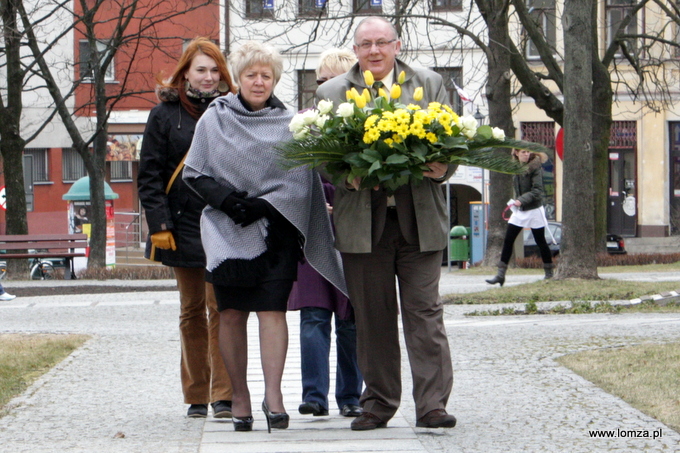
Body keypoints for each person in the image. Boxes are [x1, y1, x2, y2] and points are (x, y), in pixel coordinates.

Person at [182, 41, 346, 433]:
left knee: (272, 311)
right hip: (225, 228)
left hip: (276, 231)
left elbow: (301, 183)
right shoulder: (214, 119)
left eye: (267, 76)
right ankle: (238, 395)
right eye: (252, 75)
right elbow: (196, 171)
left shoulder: (290, 123)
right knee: (232, 313)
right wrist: (226, 200)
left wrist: (265, 206)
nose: (259, 82)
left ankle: (274, 395)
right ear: (238, 77)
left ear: (275, 80)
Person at [315, 16, 457, 431]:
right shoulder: (332, 92)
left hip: (420, 219)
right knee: (373, 317)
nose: (374, 51)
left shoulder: (429, 83)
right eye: (365, 44)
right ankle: (377, 403)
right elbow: (320, 153)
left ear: (397, 45)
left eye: (382, 42)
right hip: (363, 222)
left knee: (425, 314)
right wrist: (343, 175)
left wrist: (444, 165)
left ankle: (432, 404)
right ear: (355, 50)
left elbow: (454, 139)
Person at [137, 37, 235, 419]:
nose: (208, 77)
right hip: (180, 224)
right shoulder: (165, 114)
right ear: (186, 73)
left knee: (222, 309)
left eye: (214, 70)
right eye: (201, 70)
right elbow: (150, 175)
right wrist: (159, 224)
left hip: (221, 222)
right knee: (192, 310)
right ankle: (196, 393)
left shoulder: (232, 109)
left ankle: (223, 394)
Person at [288, 48, 362, 420]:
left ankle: (351, 395)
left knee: (351, 320)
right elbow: (289, 177)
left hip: (353, 233)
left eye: (334, 81)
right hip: (314, 231)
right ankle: (313, 395)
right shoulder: (302, 124)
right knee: (313, 317)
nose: (325, 89)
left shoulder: (364, 122)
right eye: (319, 82)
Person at [486, 150, 554, 286]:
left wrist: (520, 200)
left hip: (534, 209)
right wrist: (518, 202)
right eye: (523, 152)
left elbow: (537, 191)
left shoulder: (535, 168)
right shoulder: (516, 168)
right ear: (516, 154)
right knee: (508, 239)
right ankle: (500, 275)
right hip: (521, 210)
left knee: (540, 241)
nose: (526, 154)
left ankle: (549, 272)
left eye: (528, 152)